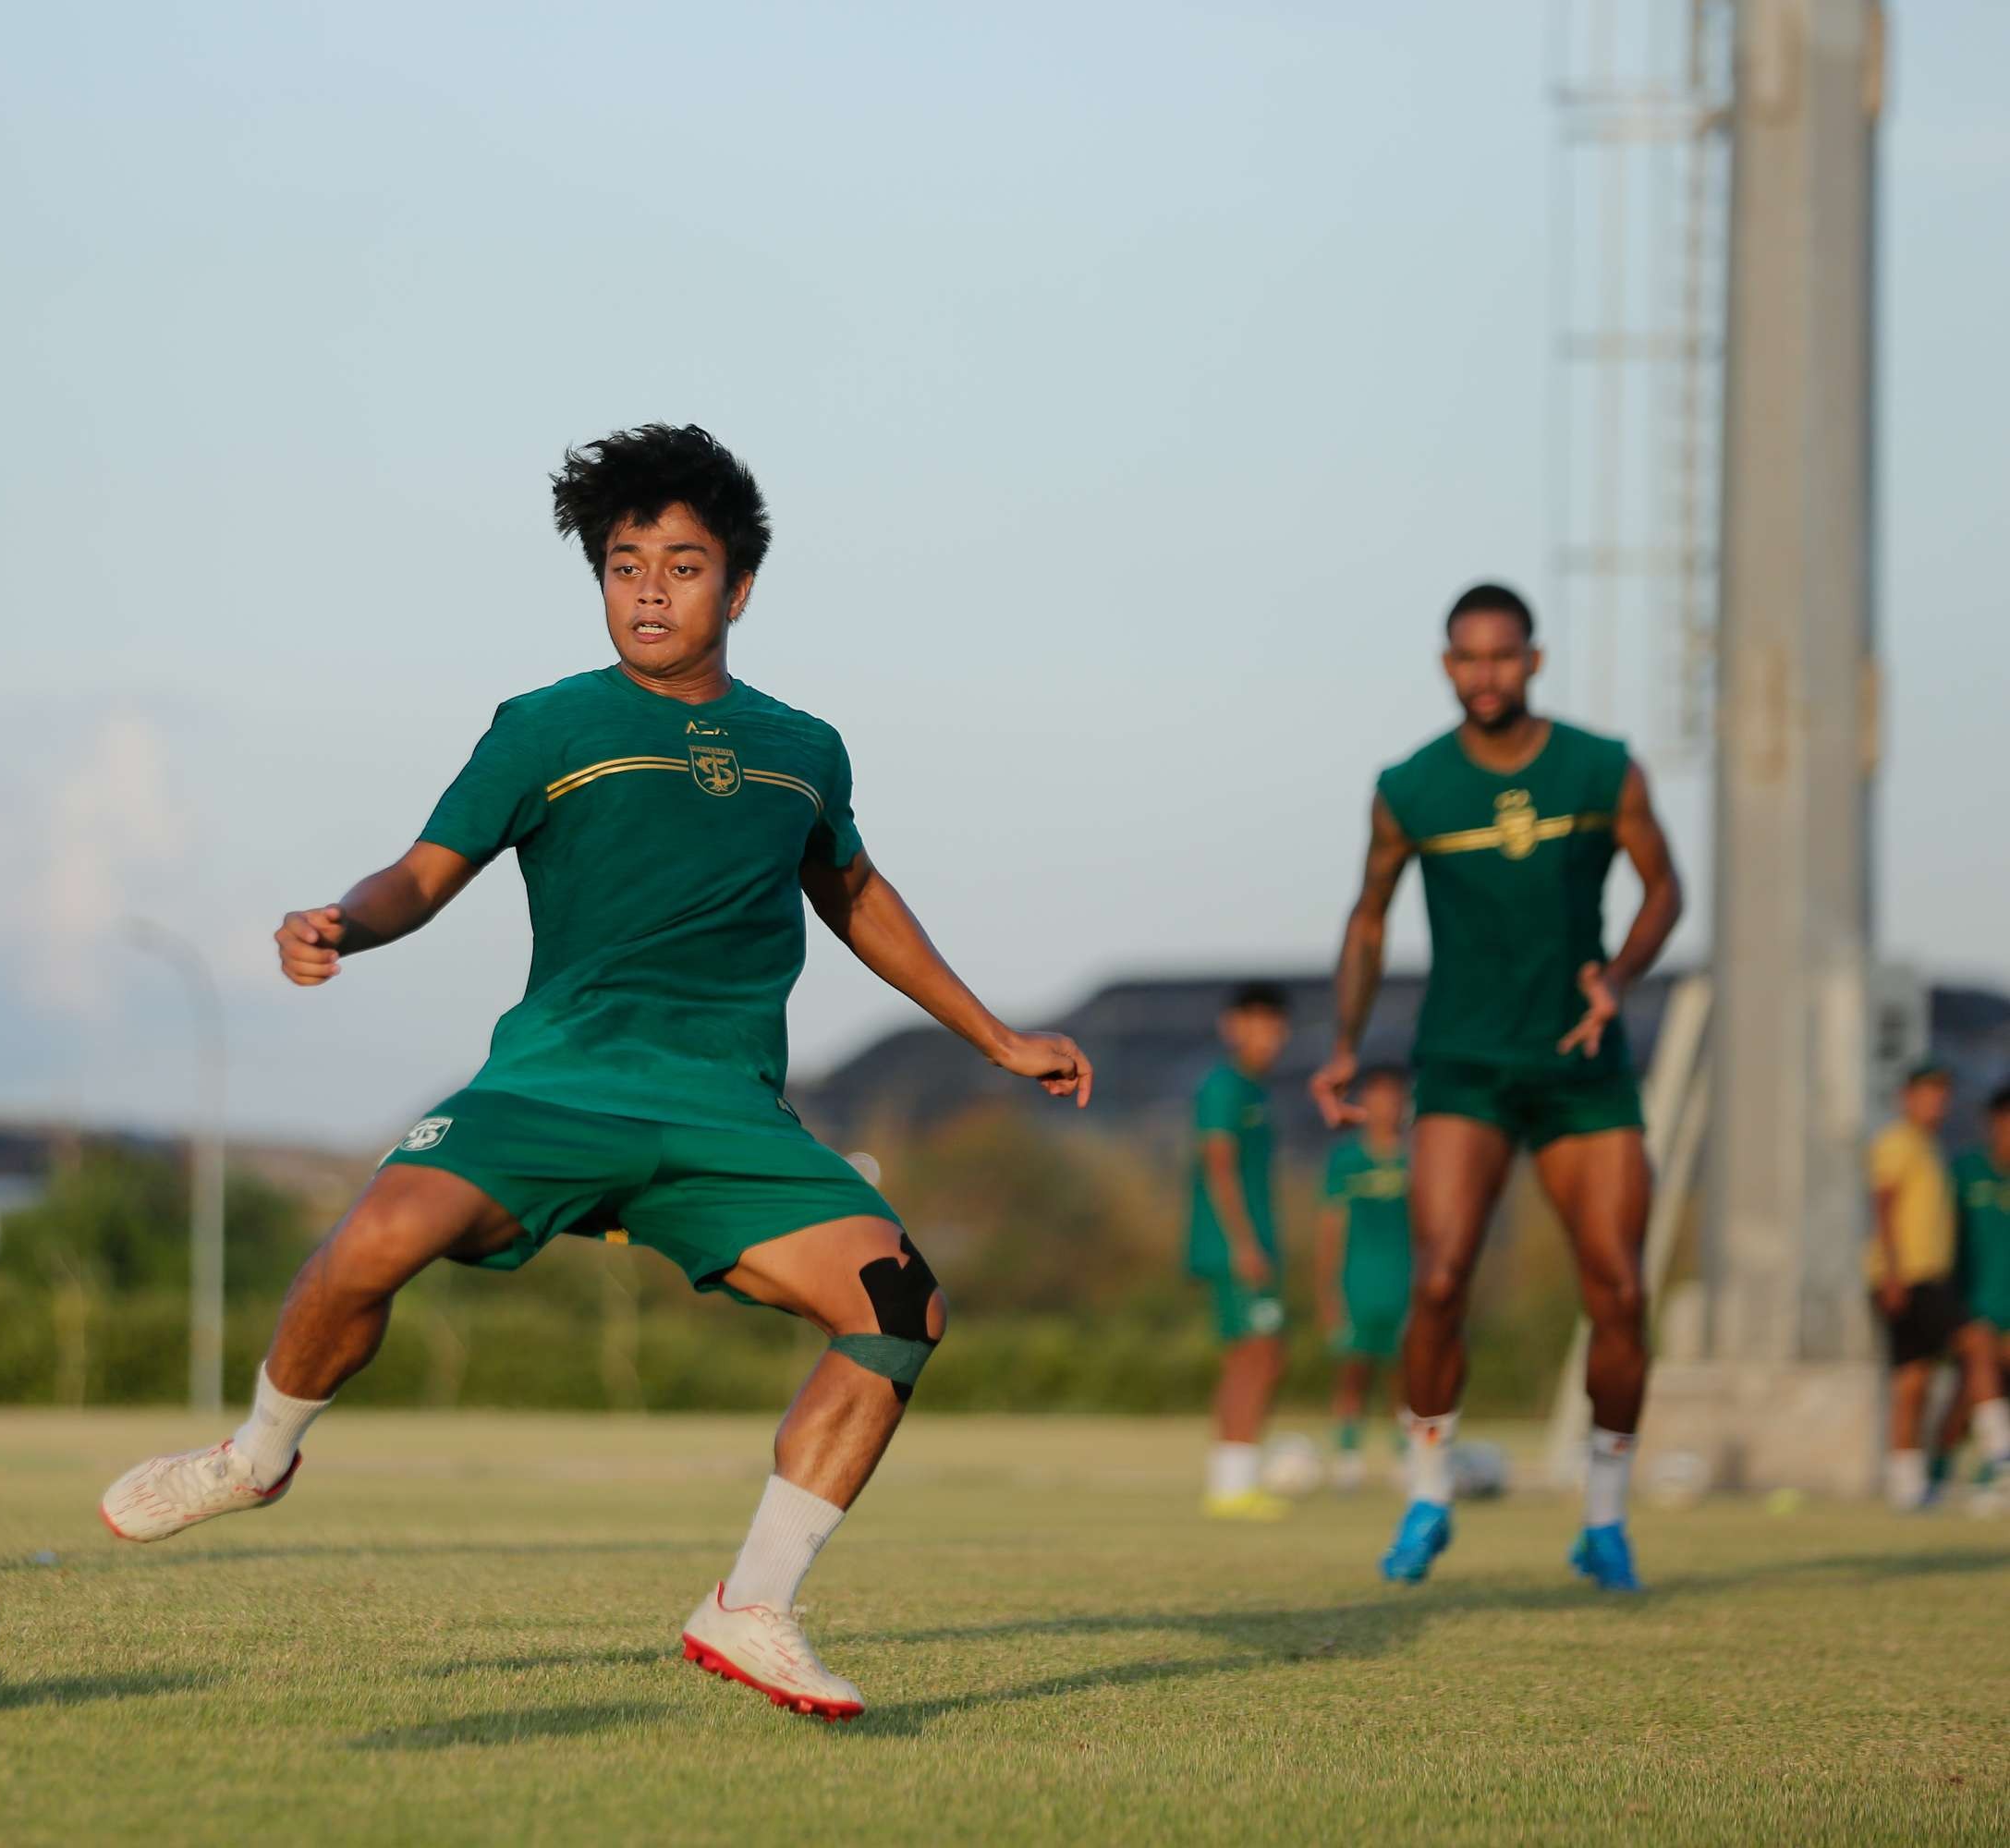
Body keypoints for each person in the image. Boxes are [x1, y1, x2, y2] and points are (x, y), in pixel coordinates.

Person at [97, 425, 1090, 1721]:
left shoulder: (805, 748)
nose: (650, 591)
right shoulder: (547, 724)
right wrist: (342, 919)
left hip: (726, 1112)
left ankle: (752, 1606)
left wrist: (996, 1036)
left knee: (901, 1305)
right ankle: (255, 1455)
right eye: (626, 565)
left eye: (682, 566)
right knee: (372, 1239)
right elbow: (421, 872)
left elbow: (855, 891)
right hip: (557, 1085)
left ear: (737, 590)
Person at [1312, 582, 1681, 1592]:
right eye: (1467, 658)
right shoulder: (1411, 787)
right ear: (1446, 666)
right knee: (1438, 1277)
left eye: (1504, 656)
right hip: (1465, 1065)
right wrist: (1346, 1042)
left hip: (1579, 1066)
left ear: (1534, 659)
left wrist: (1620, 974)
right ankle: (1428, 1491)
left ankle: (1605, 1520)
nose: (1486, 674)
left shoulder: (1602, 768)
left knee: (1618, 1289)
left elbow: (1664, 886)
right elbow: (1369, 916)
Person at [1871, 1064, 2010, 1511]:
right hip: (1911, 1277)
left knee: (1913, 1380)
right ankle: (2001, 1453)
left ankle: (1908, 1488)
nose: (1937, 1105)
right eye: (1928, 1095)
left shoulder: (1930, 1150)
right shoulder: (1900, 1142)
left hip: (1924, 1279)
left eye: (1942, 1097)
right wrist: (1892, 1272)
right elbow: (1884, 1204)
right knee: (1976, 1343)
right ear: (1907, 1097)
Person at [1186, 982, 1294, 1519]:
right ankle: (1233, 1486)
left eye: (1276, 1026)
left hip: (1254, 1242)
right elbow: (1219, 1165)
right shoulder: (1224, 1087)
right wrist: (1244, 1243)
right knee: (1259, 1356)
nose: (1268, 1037)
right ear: (1233, 1027)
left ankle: (1233, 1481)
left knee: (1255, 1356)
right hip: (1234, 1246)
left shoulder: (1257, 1091)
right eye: (1256, 1023)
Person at [1316, 1064, 1411, 1491]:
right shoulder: (1346, 1160)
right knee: (1353, 1371)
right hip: (1357, 1282)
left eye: (1393, 1099)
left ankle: (1404, 1457)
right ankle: (1349, 1456)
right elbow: (1330, 1229)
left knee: (1405, 1374)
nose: (1385, 1108)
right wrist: (1328, 1293)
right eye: (1376, 1098)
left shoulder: (1418, 1157)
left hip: (1405, 1280)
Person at [1934, 1082, 2010, 1502]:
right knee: (1973, 1375)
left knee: (1971, 1392)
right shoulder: (1965, 1173)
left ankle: (1977, 1475)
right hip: (1968, 1307)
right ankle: (1996, 1460)